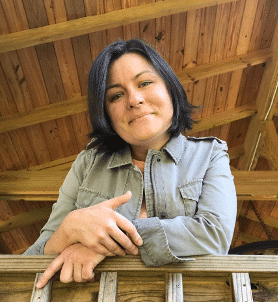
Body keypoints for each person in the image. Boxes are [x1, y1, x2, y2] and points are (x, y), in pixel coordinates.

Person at [24, 39, 237, 288]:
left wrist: (109, 243)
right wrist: (70, 230)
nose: (134, 100)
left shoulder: (210, 153)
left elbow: (214, 235)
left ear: (169, 87)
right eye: (116, 95)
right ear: (106, 113)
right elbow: (34, 258)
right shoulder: (87, 163)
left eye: (145, 83)